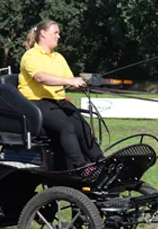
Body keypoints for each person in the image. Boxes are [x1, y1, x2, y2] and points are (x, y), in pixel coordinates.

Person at [19, 20, 103, 170]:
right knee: (67, 127)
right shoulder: (31, 56)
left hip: (57, 101)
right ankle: (81, 167)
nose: (59, 36)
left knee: (82, 125)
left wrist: (80, 82)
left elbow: (69, 80)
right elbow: (40, 77)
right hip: (35, 103)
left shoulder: (58, 57)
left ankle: (100, 162)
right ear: (43, 33)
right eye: (55, 33)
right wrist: (67, 80)